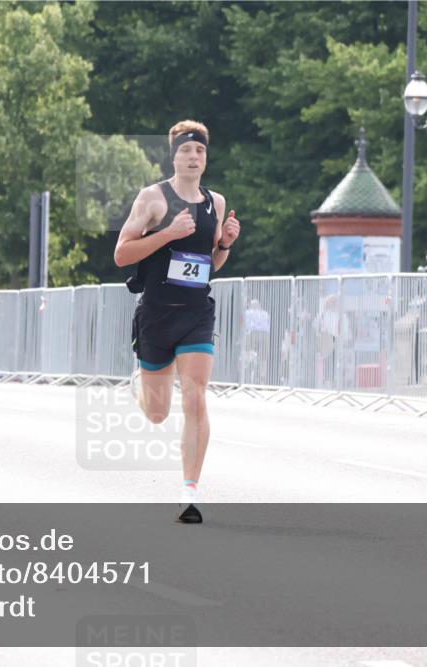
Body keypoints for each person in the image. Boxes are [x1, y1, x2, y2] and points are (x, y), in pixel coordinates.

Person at [113, 120, 241, 524]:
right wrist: (168, 233)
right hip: (155, 314)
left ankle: (189, 493)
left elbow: (211, 265)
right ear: (174, 154)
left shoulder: (215, 203)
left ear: (206, 157)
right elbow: (121, 254)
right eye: (187, 150)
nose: (193, 157)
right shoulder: (153, 198)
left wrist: (224, 244)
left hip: (196, 313)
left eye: (200, 151)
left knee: (197, 396)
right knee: (156, 413)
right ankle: (143, 379)